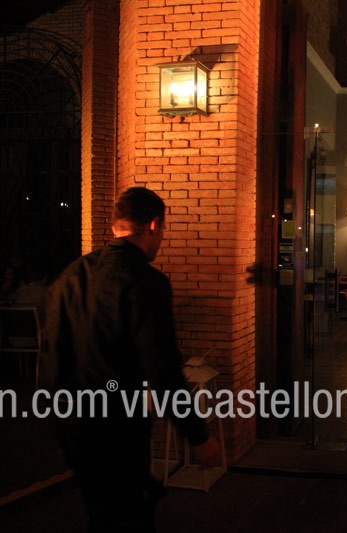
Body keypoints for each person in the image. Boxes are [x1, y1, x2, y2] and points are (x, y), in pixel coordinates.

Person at [39, 187, 220, 532]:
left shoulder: (70, 277)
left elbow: (51, 355)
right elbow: (162, 369)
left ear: (116, 225)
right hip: (118, 427)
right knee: (129, 517)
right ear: (153, 225)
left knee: (103, 512)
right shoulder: (146, 282)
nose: (161, 239)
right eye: (163, 230)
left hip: (72, 422)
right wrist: (198, 435)